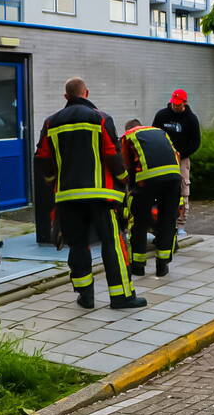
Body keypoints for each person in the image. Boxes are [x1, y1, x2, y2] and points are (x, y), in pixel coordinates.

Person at [35, 77, 146, 309]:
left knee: (77, 244)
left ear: (66, 96)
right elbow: (111, 153)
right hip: (101, 197)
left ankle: (85, 297)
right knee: (111, 243)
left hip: (67, 197)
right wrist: (124, 179)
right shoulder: (101, 118)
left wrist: (52, 180)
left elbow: (42, 158)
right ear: (86, 92)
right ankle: (121, 296)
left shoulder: (50, 122)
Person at [120, 119, 182, 277]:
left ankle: (138, 266)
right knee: (167, 221)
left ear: (128, 128)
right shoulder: (160, 132)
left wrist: (131, 186)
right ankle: (162, 266)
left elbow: (126, 165)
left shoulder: (128, 136)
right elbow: (176, 154)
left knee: (140, 221)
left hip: (147, 181)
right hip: (174, 178)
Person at [152, 89, 201, 236]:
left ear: (185, 103)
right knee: (162, 189)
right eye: (174, 103)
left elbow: (196, 142)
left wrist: (181, 154)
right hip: (164, 158)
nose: (176, 106)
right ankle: (162, 223)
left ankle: (181, 226)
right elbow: (154, 134)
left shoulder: (191, 119)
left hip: (182, 159)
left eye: (179, 104)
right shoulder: (162, 115)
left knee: (183, 190)